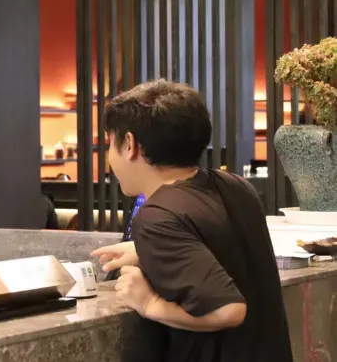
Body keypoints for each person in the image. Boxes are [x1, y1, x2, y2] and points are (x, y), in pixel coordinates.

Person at [91, 79, 292, 362]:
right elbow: (222, 244)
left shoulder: (158, 214)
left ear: (130, 145)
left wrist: (149, 302)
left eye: (111, 144)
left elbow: (229, 310)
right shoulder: (235, 185)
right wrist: (147, 250)